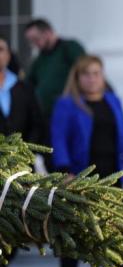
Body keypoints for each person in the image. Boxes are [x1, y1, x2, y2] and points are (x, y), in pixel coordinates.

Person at [51, 55, 123, 267]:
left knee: (116, 233)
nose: (92, 78)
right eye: (86, 74)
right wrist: (64, 170)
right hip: (80, 177)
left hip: (112, 176)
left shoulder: (113, 100)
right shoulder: (67, 104)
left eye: (96, 73)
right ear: (77, 78)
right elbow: (59, 138)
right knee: (74, 234)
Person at [0, 36, 43, 267]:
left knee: (14, 228)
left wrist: (31, 156)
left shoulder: (23, 88)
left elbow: (37, 124)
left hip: (18, 171)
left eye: (1, 49)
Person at [24, 18, 85, 164]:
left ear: (48, 32)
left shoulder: (69, 48)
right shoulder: (40, 59)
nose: (35, 44)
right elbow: (28, 84)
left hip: (70, 115)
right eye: (31, 41)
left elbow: (83, 69)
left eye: (36, 39)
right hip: (46, 119)